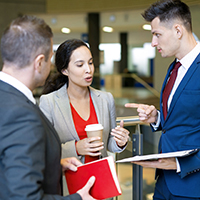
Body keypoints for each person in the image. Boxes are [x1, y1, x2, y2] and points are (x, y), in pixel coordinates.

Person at [0, 15, 96, 200]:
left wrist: (53, 165)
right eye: (50, 58)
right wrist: (77, 198)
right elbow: (24, 197)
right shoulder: (22, 114)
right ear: (39, 62)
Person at [125, 0, 200, 199]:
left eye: (157, 34)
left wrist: (178, 163)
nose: (153, 43)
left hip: (192, 187)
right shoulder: (174, 68)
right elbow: (182, 117)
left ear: (178, 30)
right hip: (164, 182)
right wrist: (157, 118)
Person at [39, 39, 130, 164]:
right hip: (69, 178)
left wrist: (119, 142)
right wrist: (75, 148)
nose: (88, 69)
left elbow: (109, 144)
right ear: (65, 70)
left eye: (90, 63)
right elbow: (44, 149)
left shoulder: (106, 99)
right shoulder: (49, 102)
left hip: (101, 177)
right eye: (80, 65)